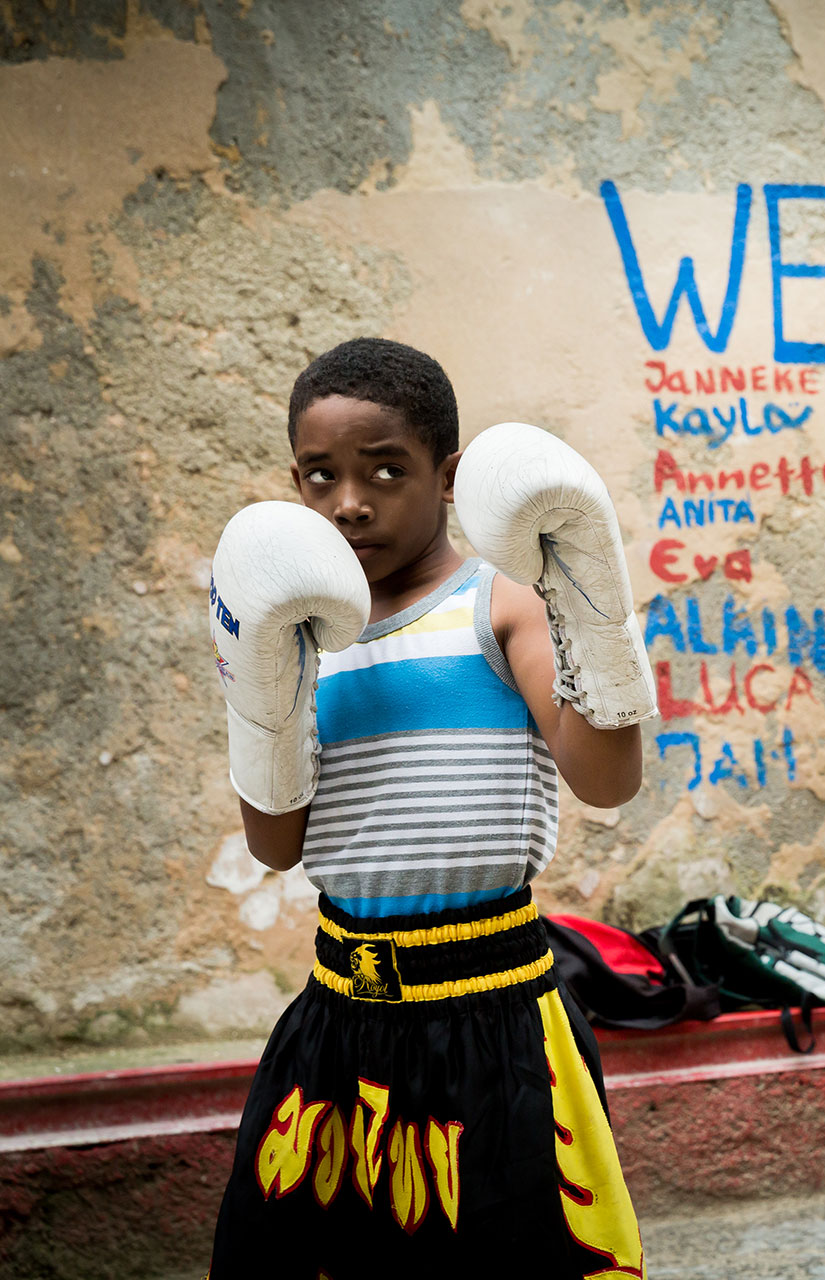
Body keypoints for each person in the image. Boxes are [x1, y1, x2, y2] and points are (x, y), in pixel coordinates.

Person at [206, 338, 658, 1277]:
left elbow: (607, 781)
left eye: (384, 470)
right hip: (341, 1018)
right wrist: (261, 689)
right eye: (320, 477)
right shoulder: (299, 635)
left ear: (448, 476)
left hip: (494, 1017)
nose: (350, 501)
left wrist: (594, 616)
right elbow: (276, 843)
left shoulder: (502, 605)